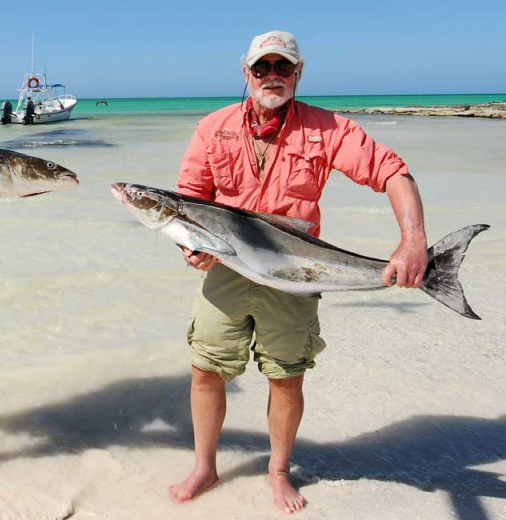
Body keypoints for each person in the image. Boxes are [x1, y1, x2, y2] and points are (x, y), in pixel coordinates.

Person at [169, 30, 428, 513]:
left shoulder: (329, 130)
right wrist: (191, 247)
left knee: (286, 378)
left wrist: (413, 243)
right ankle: (205, 465)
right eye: (262, 68)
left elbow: (393, 171)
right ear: (246, 74)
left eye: (282, 68)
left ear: (298, 73)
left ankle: (278, 471)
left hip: (296, 273)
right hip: (227, 270)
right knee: (205, 370)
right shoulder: (212, 127)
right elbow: (189, 200)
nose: (272, 76)